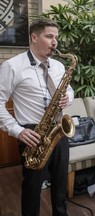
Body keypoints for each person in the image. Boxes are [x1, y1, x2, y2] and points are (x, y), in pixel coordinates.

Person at [0, 18, 74, 216]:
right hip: (33, 133)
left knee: (60, 184)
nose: (55, 42)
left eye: (56, 37)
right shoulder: (13, 66)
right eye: (49, 36)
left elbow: (70, 90)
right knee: (32, 188)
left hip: (58, 129)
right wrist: (17, 130)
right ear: (34, 37)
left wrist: (68, 97)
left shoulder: (58, 66)